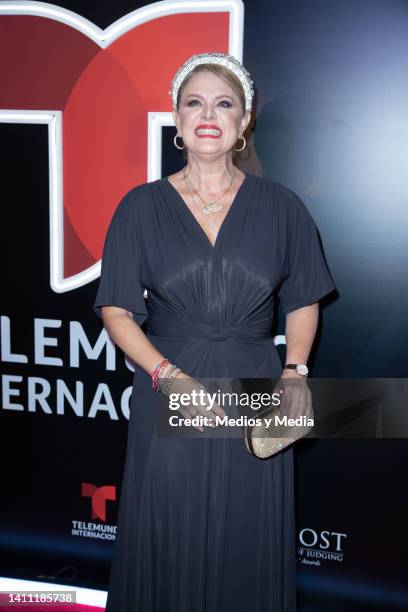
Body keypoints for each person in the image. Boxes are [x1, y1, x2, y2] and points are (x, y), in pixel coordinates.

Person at [93, 52, 336, 612]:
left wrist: (295, 372)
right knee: (167, 532)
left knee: (246, 537)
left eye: (224, 103)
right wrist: (168, 378)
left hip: (255, 396)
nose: (209, 114)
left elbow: (303, 301)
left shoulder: (283, 208)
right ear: (177, 121)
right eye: (194, 103)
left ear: (244, 121)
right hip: (168, 390)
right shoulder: (139, 207)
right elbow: (117, 312)